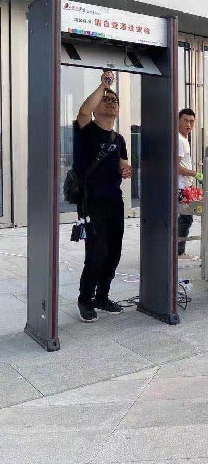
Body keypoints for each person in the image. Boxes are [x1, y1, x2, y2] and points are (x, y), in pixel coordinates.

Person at [74, 70, 132, 323]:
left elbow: (123, 164)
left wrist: (126, 170)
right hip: (91, 201)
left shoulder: (119, 139)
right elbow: (83, 111)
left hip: (114, 200)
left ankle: (102, 296)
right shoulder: (87, 130)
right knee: (96, 252)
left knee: (114, 252)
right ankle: (85, 299)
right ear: (97, 107)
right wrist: (103, 86)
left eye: (114, 100)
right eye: (105, 100)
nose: (111, 102)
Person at [177, 108, 203, 258]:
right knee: (185, 219)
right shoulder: (180, 141)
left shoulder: (184, 139)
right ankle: (178, 251)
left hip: (186, 185)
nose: (188, 124)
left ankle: (177, 250)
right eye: (185, 121)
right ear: (178, 121)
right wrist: (196, 174)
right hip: (180, 187)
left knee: (185, 218)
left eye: (191, 122)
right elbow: (176, 167)